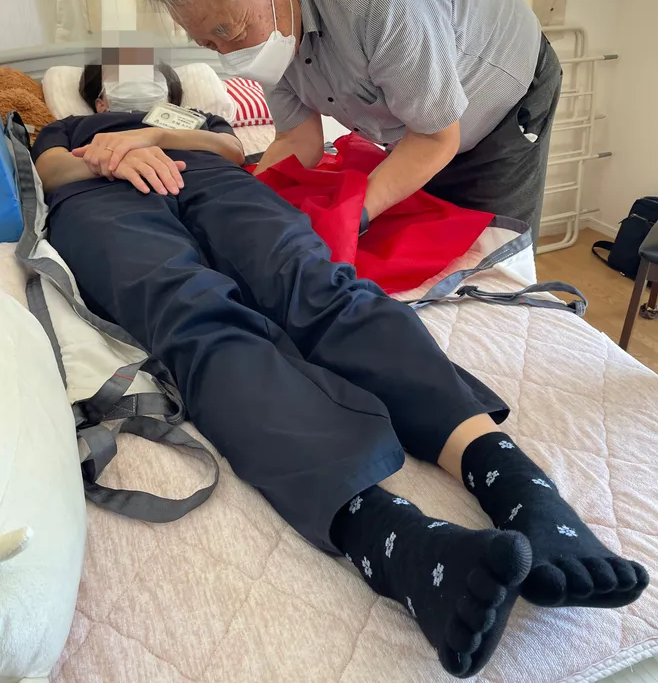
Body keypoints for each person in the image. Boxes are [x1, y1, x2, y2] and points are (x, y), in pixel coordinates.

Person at [32, 82, 647, 679]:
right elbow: (51, 172)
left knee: (319, 285)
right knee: (195, 319)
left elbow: (232, 150)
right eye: (117, 79)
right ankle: (394, 541)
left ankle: (517, 484)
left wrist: (156, 137)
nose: (132, 82)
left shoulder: (185, 117)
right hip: (97, 199)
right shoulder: (66, 127)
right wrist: (113, 156)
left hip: (211, 178)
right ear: (99, 98)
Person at [142, 0, 562, 247]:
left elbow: (435, 137)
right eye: (209, 45)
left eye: (231, 33)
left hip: (503, 96)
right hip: (421, 128)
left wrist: (350, 215)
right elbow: (296, 139)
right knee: (420, 225)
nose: (230, 56)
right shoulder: (269, 14)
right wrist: (250, 204)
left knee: (488, 249)